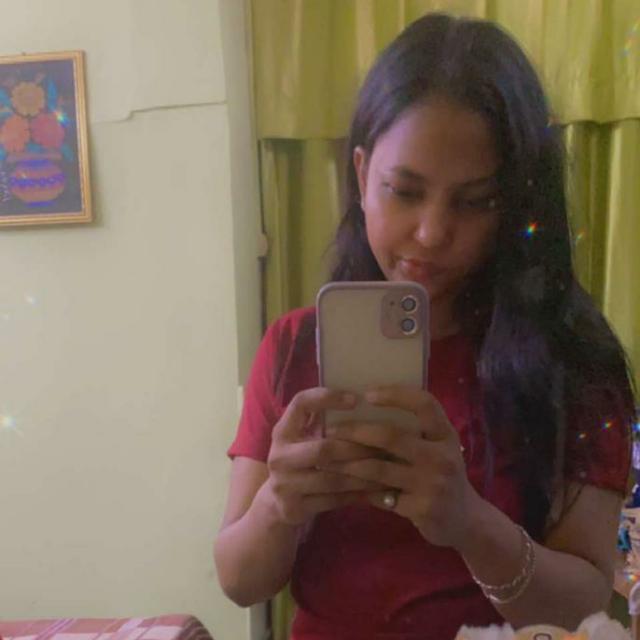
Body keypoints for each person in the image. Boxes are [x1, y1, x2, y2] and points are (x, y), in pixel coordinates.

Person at [214, 12, 636, 640]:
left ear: (515, 203)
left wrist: (468, 522)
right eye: (405, 191)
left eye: (476, 201)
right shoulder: (295, 346)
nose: (433, 233)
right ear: (362, 176)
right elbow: (238, 581)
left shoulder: (575, 361)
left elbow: (584, 609)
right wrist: (279, 503)